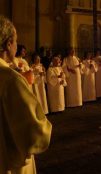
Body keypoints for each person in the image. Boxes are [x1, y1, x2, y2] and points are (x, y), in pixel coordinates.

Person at [0, 15, 52, 174]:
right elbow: (36, 133)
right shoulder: (11, 79)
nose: (17, 46)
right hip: (10, 161)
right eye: (16, 42)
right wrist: (26, 85)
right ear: (9, 44)